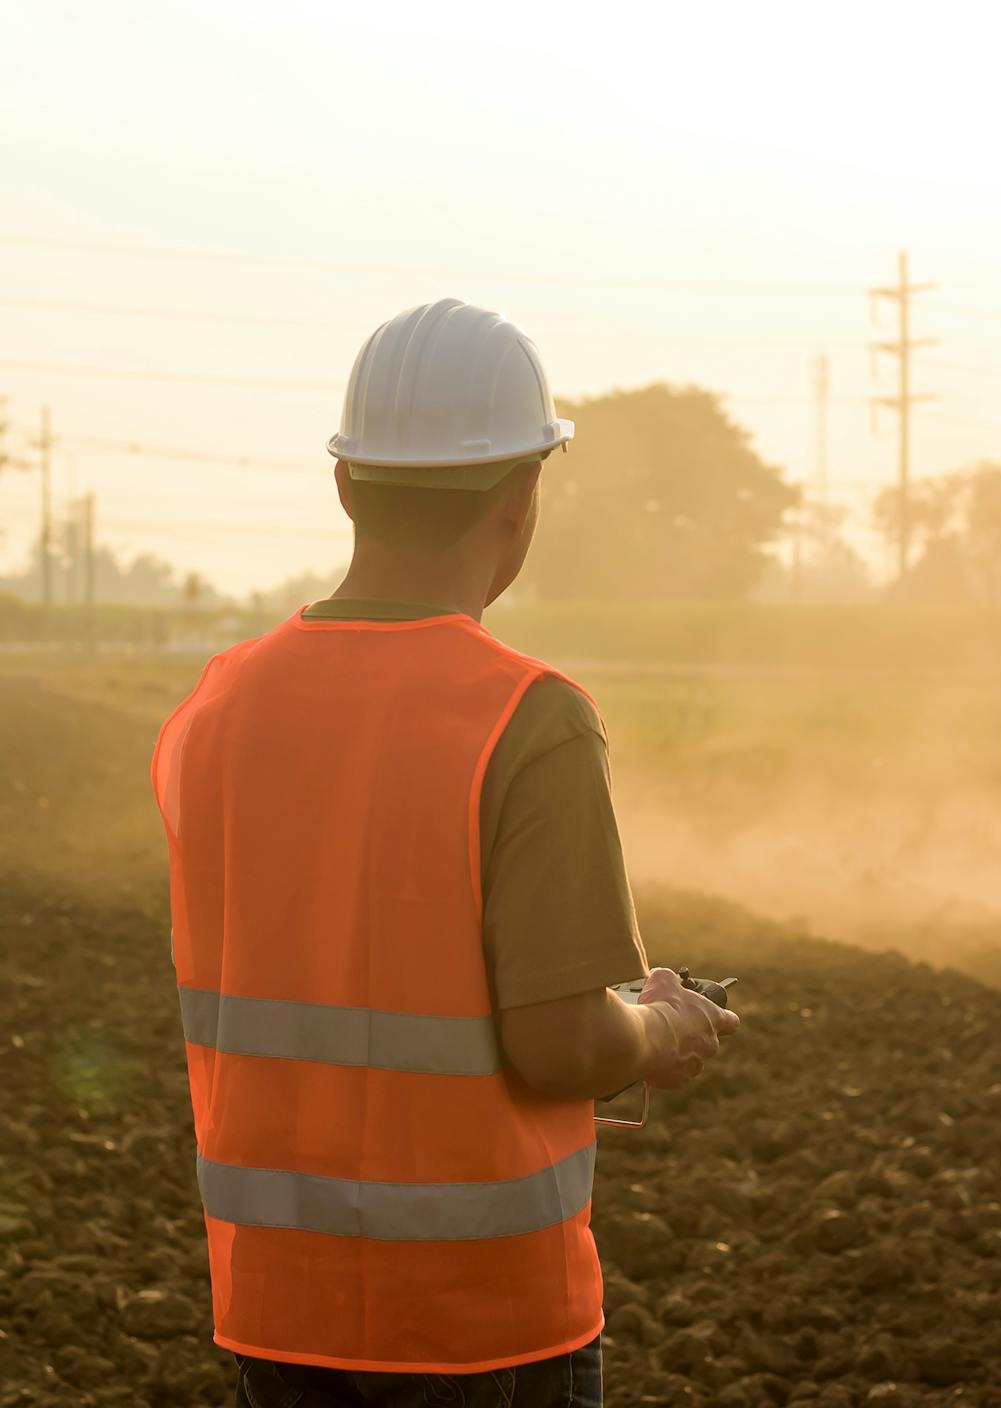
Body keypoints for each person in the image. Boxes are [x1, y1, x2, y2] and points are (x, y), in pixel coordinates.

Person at [152, 299, 739, 1408]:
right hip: (486, 1329)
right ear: (523, 496)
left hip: (278, 1316)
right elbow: (562, 1042)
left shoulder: (213, 707)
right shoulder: (531, 718)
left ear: (344, 484)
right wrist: (660, 1026)